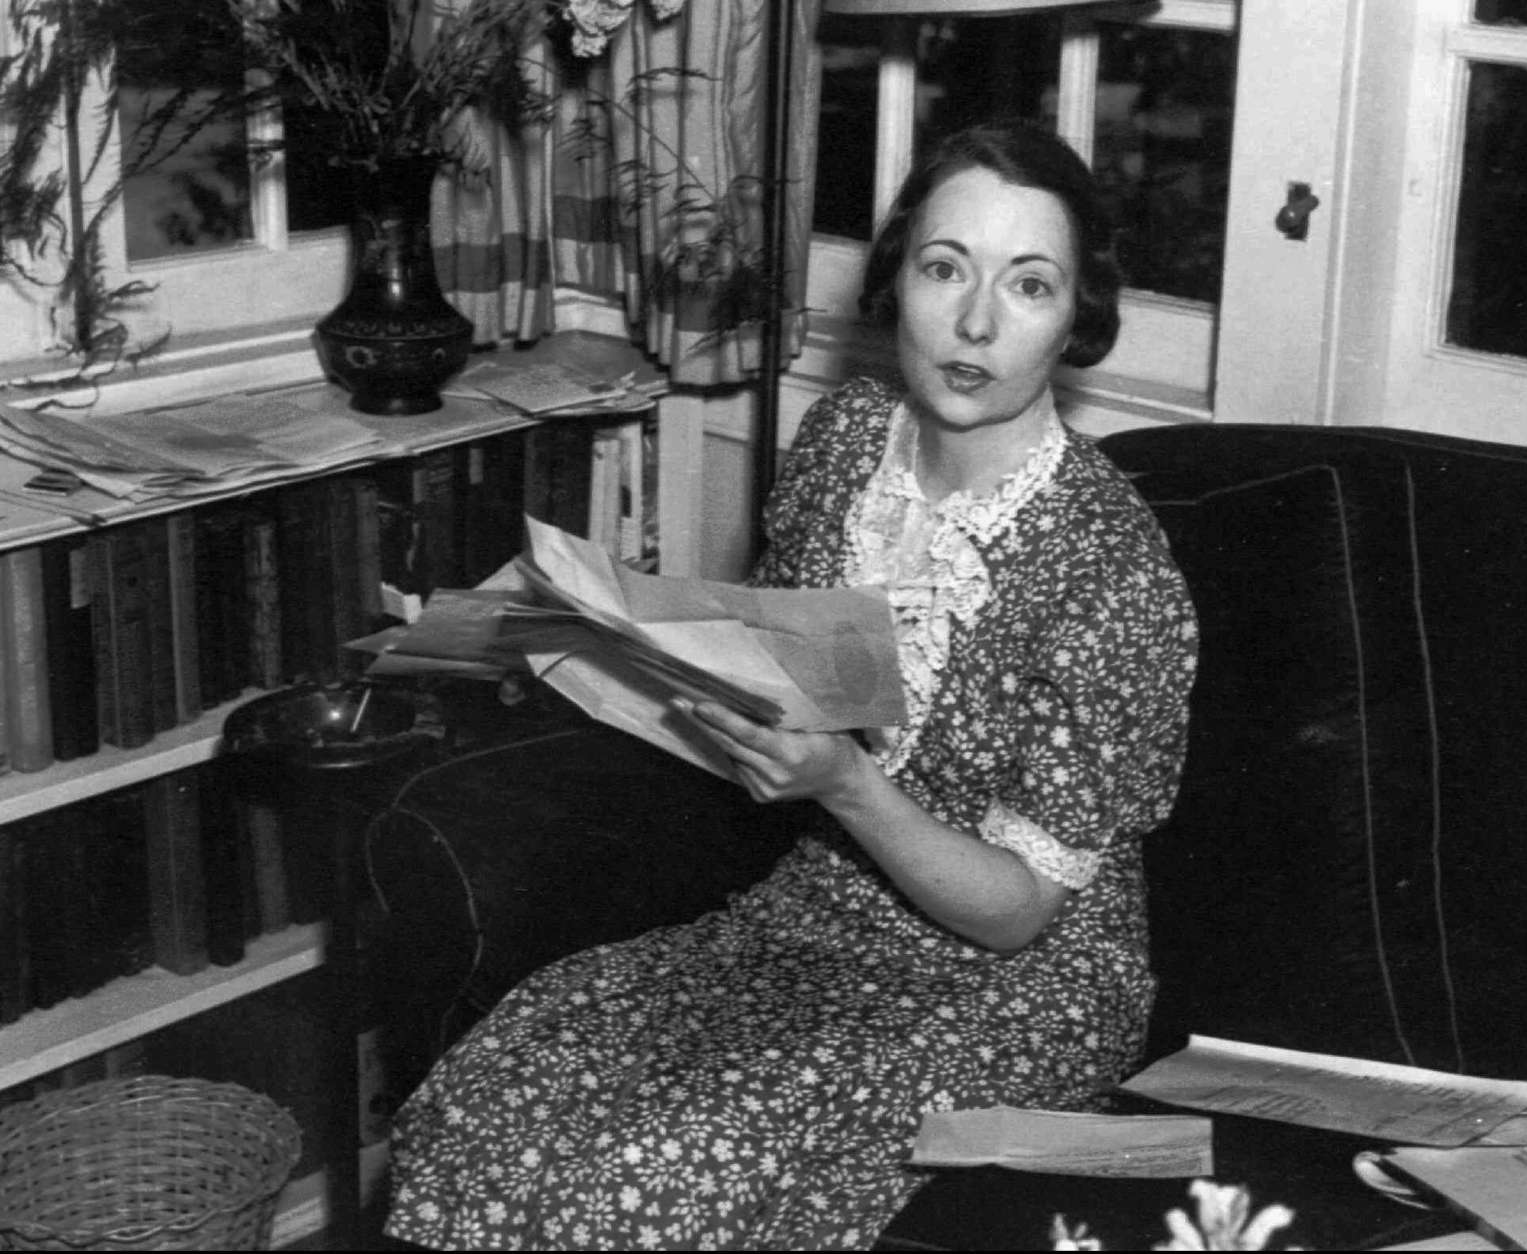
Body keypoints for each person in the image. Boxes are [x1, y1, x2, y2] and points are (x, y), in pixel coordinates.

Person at [384, 119, 1198, 1251]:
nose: (975, 324)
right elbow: (775, 665)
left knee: (652, 1168)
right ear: (896, 279)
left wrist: (846, 785)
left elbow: (1019, 912)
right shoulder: (844, 439)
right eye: (945, 268)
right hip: (810, 915)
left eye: (1029, 285)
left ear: (1076, 318)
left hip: (1019, 986)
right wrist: (610, 655)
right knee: (496, 1094)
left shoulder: (1114, 569)